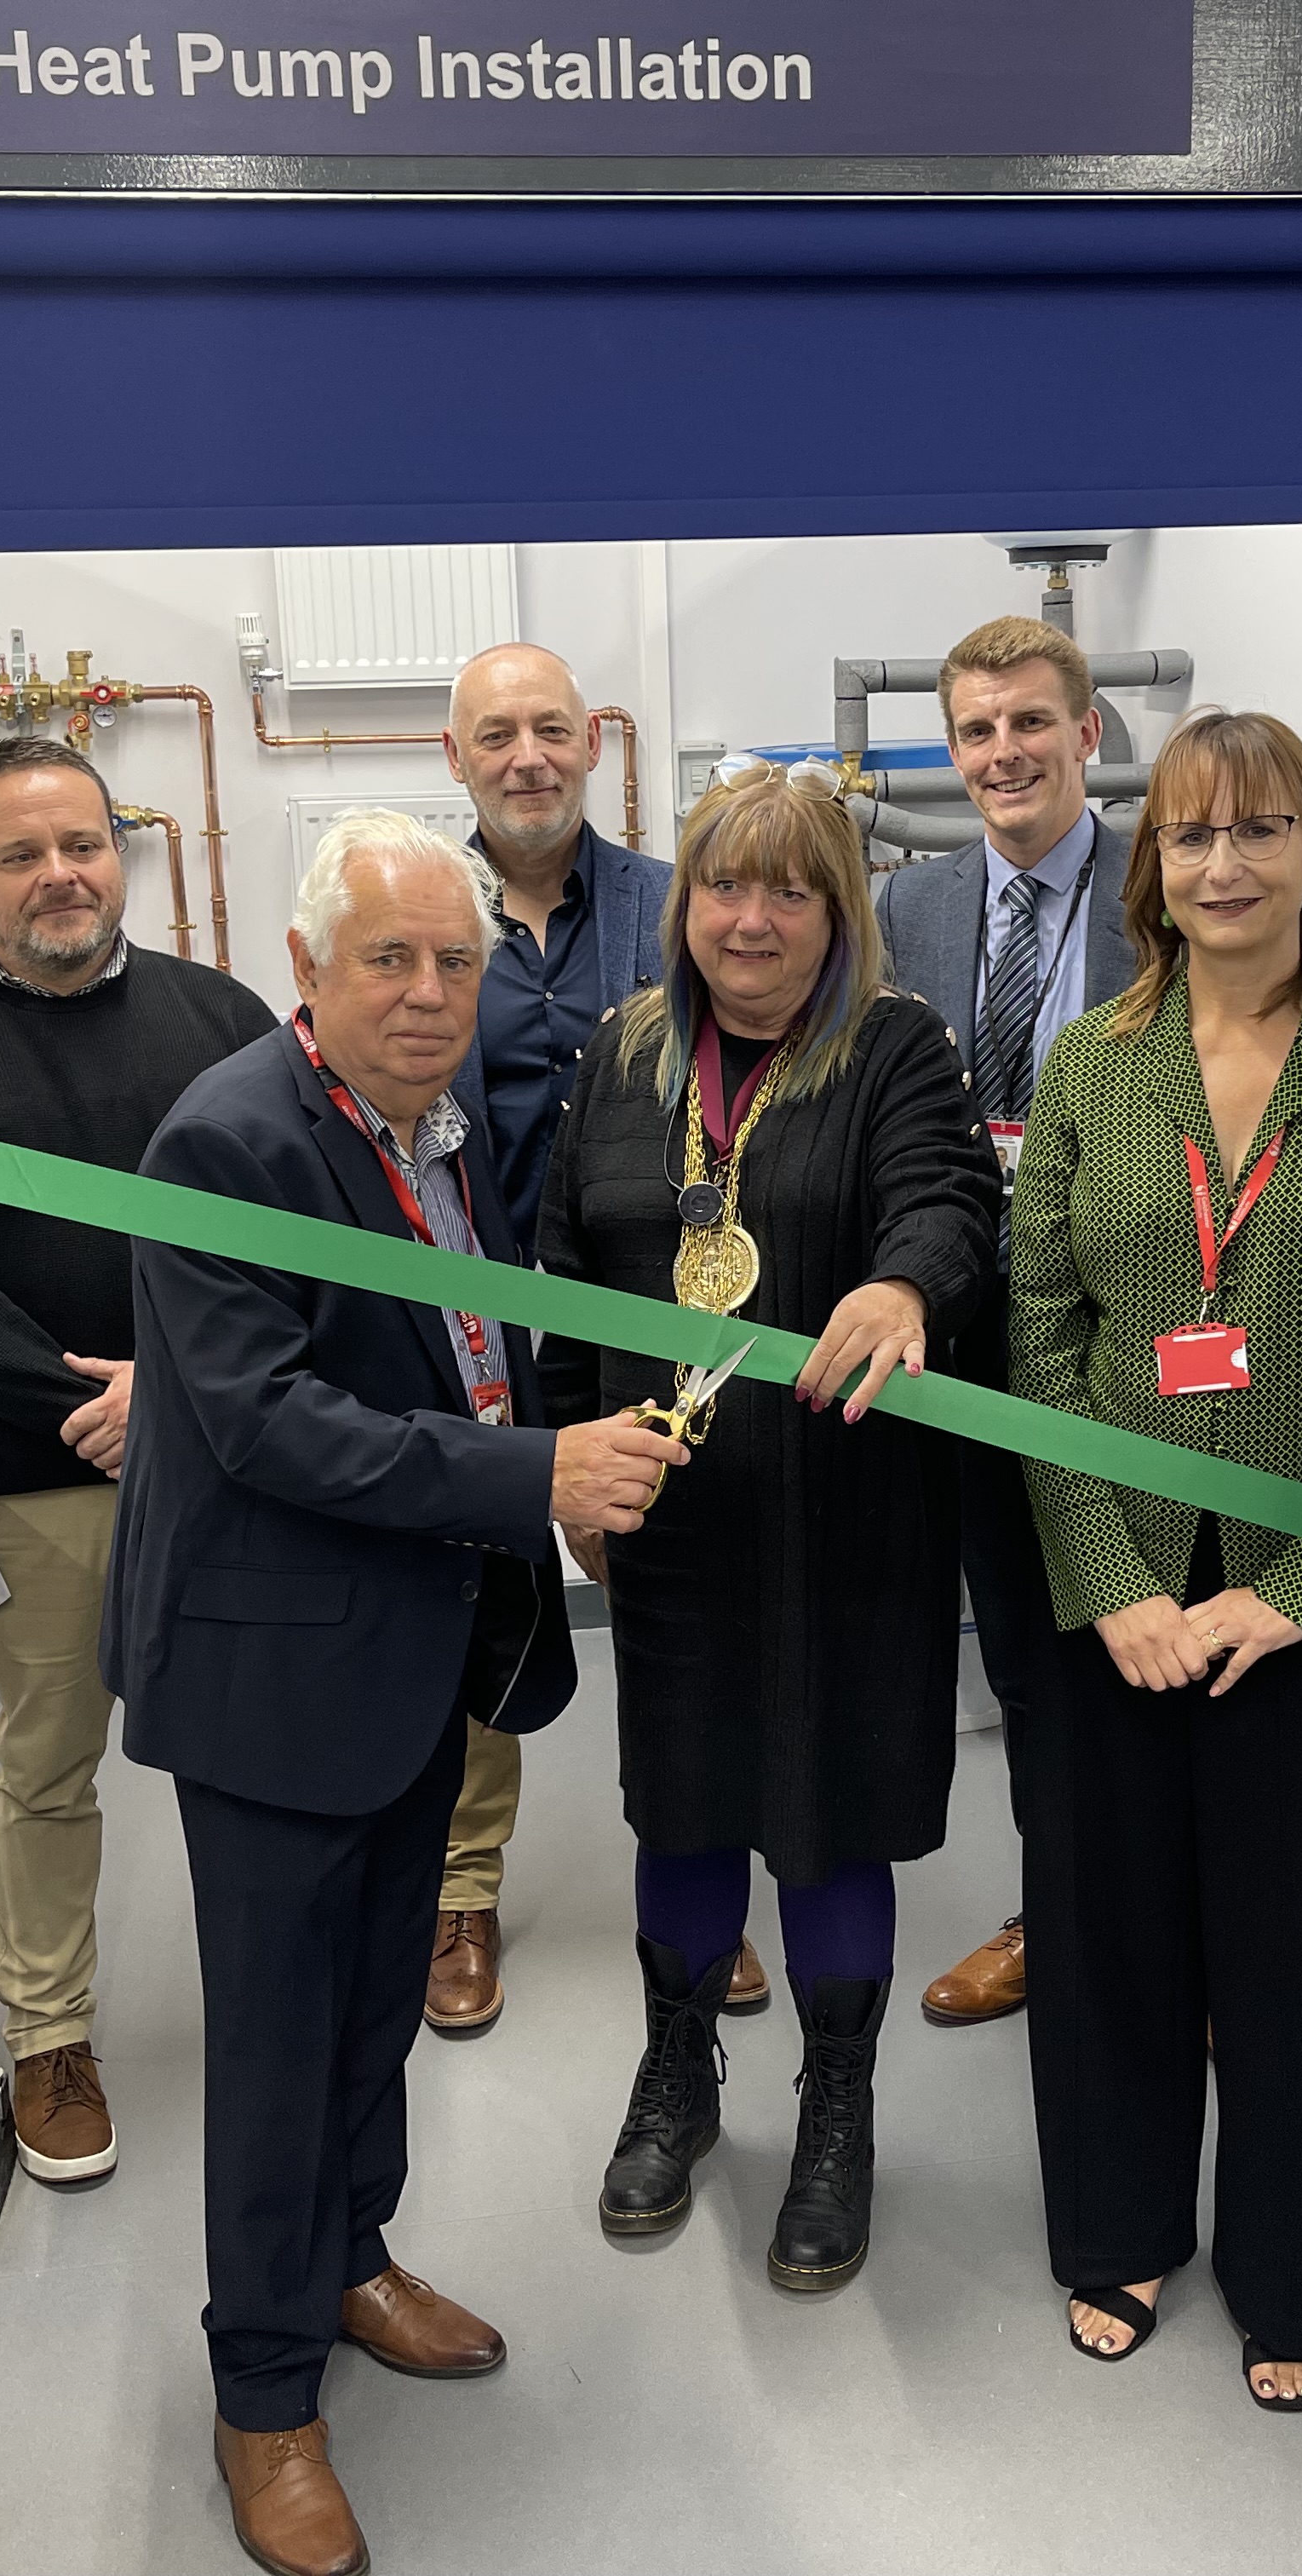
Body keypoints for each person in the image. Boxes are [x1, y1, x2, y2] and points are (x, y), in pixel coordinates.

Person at [101, 810, 686, 2576]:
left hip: (404, 1656)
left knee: (367, 2014)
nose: (430, 992)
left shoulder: (440, 1136)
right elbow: (273, 1421)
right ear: (308, 971)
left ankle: (349, 2261)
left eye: (453, 960)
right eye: (389, 960)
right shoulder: (227, 1144)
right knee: (277, 2050)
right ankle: (263, 2399)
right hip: (275, 1679)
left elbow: (468, 1341)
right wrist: (540, 1483)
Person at [1012, 709, 1302, 2410]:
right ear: (1155, 867)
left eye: (1263, 831)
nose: (1227, 864)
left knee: (1290, 1955)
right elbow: (1040, 1341)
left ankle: (1292, 2275)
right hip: (1115, 1593)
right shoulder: (1093, 1067)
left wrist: (1300, 1596)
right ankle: (1122, 2224)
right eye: (1196, 835)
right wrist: (1113, 1580)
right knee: (1110, 1930)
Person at [538, 760, 1003, 2289]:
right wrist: (559, 1462)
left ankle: (838, 2113)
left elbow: (948, 1206)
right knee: (679, 1807)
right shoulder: (622, 1059)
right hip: (667, 1523)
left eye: (788, 890)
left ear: (836, 912)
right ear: (686, 908)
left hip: (846, 1528)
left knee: (828, 1819)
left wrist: (901, 1280)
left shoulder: (893, 1051)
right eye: (725, 886)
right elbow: (559, 1279)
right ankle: (675, 2079)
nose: (752, 919)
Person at [0, 733, 275, 2184]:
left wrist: (183, 1390)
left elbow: (294, 1228)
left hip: (233, 1461)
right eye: (19, 854)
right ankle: (49, 2038)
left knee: (257, 1752)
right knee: (46, 1766)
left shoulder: (223, 1019)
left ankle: (278, 2009)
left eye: (80, 844)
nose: (59, 875)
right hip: (37, 1477)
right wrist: (86, 1397)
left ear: (119, 854)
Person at [423, 641, 724, 2037]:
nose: (527, 756)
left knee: (684, 1611)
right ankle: (462, 1893)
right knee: (477, 1602)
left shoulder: (676, 912)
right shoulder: (422, 915)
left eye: (552, 729)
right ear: (458, 758)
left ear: (593, 745)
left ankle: (708, 1891)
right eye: (499, 735)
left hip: (650, 1330)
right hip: (469, 1318)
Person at [880, 614, 1140, 2031]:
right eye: (977, 731)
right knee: (1020, 1648)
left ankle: (1151, 1921)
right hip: (963, 1332)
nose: (1004, 754)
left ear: (1087, 736)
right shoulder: (908, 911)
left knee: (1127, 1636)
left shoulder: (1160, 895)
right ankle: (1057, 1916)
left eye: (1030, 723)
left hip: (1130, 1337)